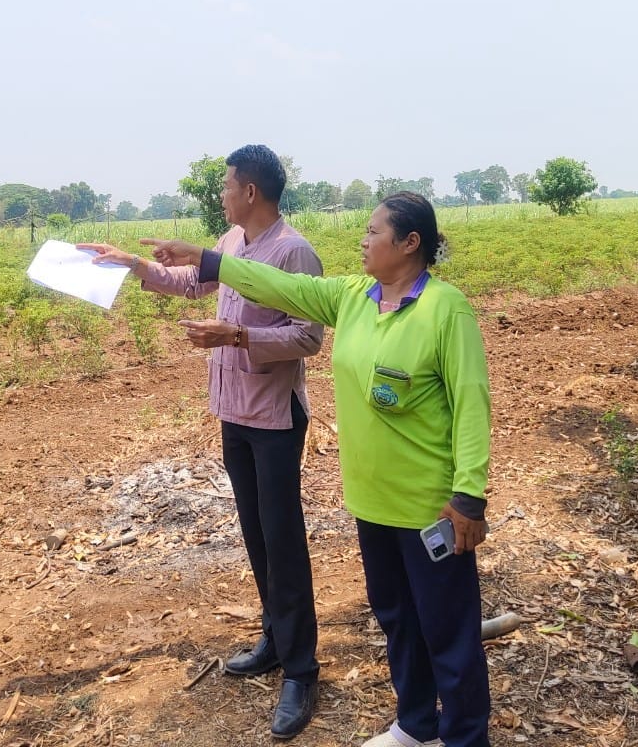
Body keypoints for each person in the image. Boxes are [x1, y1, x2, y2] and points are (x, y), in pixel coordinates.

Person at [144, 192, 492, 747]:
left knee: (448, 634)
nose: (363, 239)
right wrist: (207, 260)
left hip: (430, 505)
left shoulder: (445, 309)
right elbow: (282, 286)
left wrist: (468, 496)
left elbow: (472, 404)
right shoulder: (355, 297)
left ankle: (465, 738)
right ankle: (416, 724)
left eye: (374, 231)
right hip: (371, 499)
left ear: (410, 243)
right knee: (396, 617)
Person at [78, 145, 324, 740]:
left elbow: (309, 336)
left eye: (226, 185)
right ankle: (274, 634)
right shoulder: (233, 242)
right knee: (256, 531)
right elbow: (190, 281)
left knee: (283, 537)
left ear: (252, 193)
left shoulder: (294, 252)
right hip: (234, 411)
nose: (221, 193)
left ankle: (302, 670)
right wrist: (131, 263)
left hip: (273, 414)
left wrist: (236, 335)